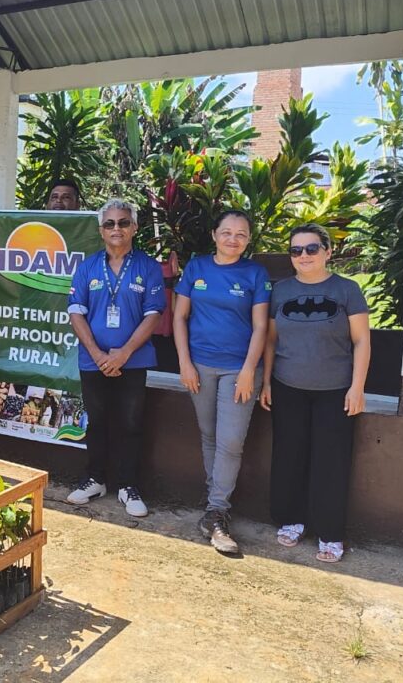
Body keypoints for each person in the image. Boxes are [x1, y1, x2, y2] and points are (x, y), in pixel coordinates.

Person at [259, 224, 370, 564]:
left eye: (310, 249)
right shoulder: (280, 291)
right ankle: (291, 519)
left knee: (330, 462)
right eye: (296, 250)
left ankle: (330, 531)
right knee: (289, 456)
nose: (303, 256)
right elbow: (271, 341)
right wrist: (266, 382)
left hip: (334, 391)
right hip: (287, 385)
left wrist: (357, 386)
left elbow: (362, 340)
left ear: (327, 251)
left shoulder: (347, 290)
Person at [173, 210, 271, 554]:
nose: (233, 239)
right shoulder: (196, 268)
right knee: (210, 436)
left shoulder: (255, 273)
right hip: (199, 365)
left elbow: (261, 327)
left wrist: (248, 370)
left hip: (238, 370)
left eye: (241, 234)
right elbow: (180, 317)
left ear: (248, 240)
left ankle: (217, 511)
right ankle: (214, 507)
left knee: (230, 441)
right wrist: (184, 362)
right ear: (214, 235)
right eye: (227, 232)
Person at [65, 199, 165, 515]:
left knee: (130, 423)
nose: (116, 229)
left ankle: (127, 485)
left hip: (132, 361)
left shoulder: (148, 267)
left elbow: (153, 315)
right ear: (101, 230)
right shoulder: (87, 266)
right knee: (96, 422)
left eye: (123, 222)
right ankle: (95, 479)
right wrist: (97, 354)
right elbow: (76, 312)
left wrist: (123, 354)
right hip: (92, 361)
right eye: (110, 224)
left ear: (134, 227)